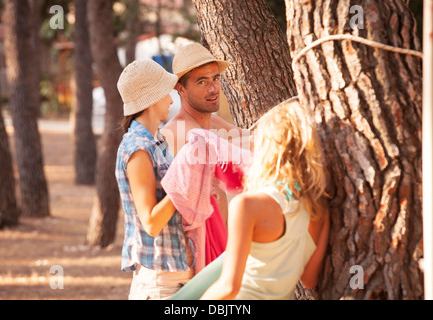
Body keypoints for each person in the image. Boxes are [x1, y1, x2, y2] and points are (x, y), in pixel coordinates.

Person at [199, 97, 330, 300]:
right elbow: (309, 279)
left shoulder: (247, 205)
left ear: (267, 149)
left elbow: (229, 287)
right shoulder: (318, 210)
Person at [161, 42, 251, 267]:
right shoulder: (177, 131)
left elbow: (250, 140)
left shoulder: (212, 123)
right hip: (195, 251)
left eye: (215, 79)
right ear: (180, 89)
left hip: (221, 242)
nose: (213, 88)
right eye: (202, 82)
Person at [115, 59, 194, 300]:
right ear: (152, 97)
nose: (171, 100)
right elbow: (150, 222)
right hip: (160, 284)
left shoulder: (155, 142)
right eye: (166, 93)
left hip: (176, 276)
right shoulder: (138, 148)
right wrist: (184, 183)